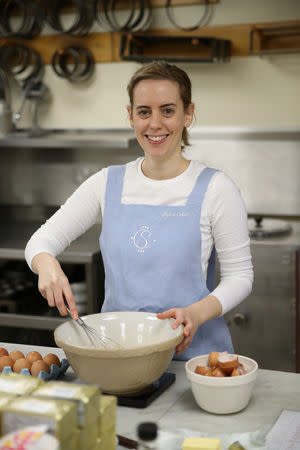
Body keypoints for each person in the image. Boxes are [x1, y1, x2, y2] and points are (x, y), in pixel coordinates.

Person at [25, 60, 253, 361]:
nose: (155, 123)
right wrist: (47, 266)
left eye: (168, 110)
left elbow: (241, 276)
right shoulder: (106, 183)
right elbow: (41, 241)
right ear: (131, 116)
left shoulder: (216, 188)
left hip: (193, 358)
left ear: (188, 114)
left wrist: (195, 314)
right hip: (120, 357)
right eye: (144, 111)